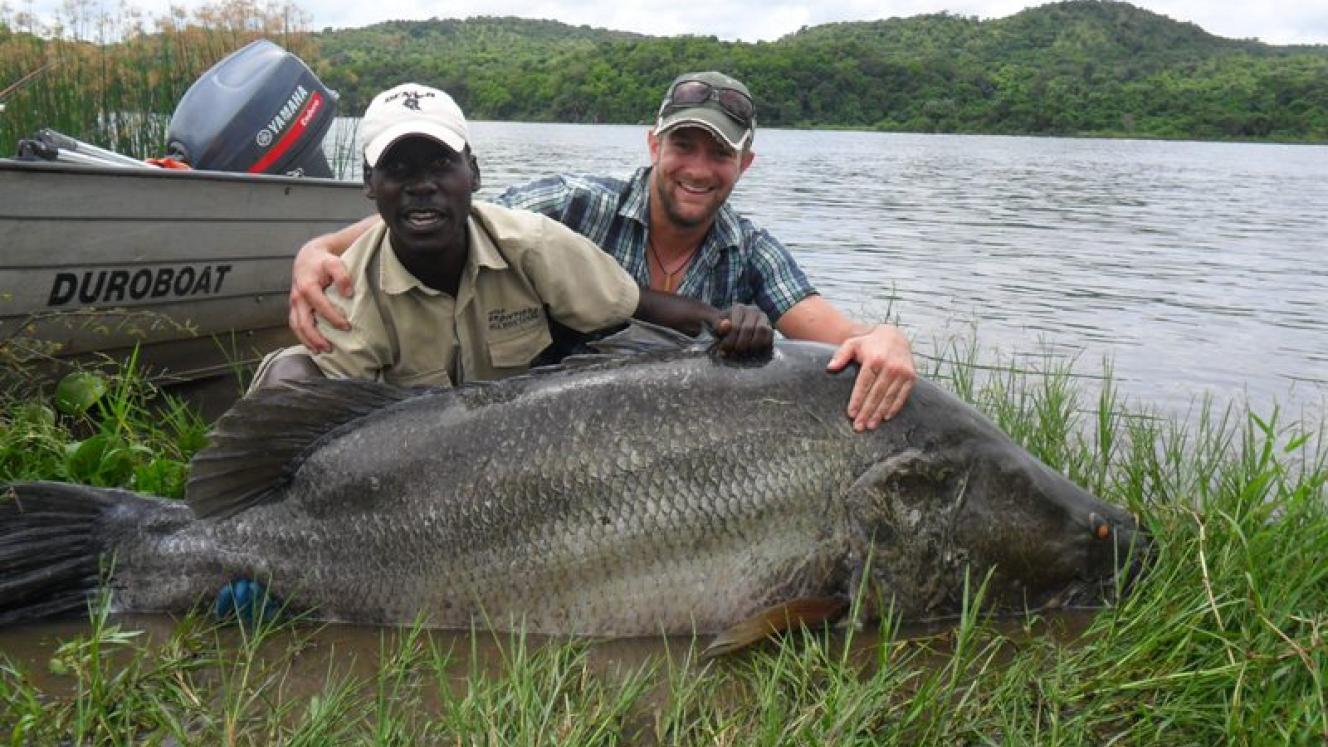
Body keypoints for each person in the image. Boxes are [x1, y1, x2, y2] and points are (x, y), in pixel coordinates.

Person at [289, 72, 916, 430]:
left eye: (719, 153)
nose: (698, 169)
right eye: (684, 146)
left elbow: (834, 334)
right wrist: (319, 247)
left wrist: (885, 337)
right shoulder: (569, 206)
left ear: (743, 164)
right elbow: (446, 211)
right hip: (541, 428)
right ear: (653, 145)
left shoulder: (751, 250)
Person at [253, 82, 771, 391]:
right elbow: (337, 420)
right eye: (398, 169)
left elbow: (635, 305)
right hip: (398, 448)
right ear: (370, 185)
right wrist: (315, 249)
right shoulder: (347, 288)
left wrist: (723, 321)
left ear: (473, 175)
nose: (423, 185)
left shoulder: (531, 240)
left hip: (507, 445)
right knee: (291, 379)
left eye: (440, 162)